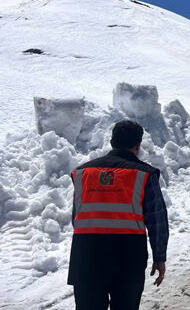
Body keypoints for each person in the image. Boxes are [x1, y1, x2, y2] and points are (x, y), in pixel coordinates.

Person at [67, 120, 169, 309]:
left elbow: (78, 217)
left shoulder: (83, 173)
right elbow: (157, 220)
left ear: (112, 142)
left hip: (86, 256)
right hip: (127, 258)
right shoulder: (144, 174)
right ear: (137, 146)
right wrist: (159, 257)